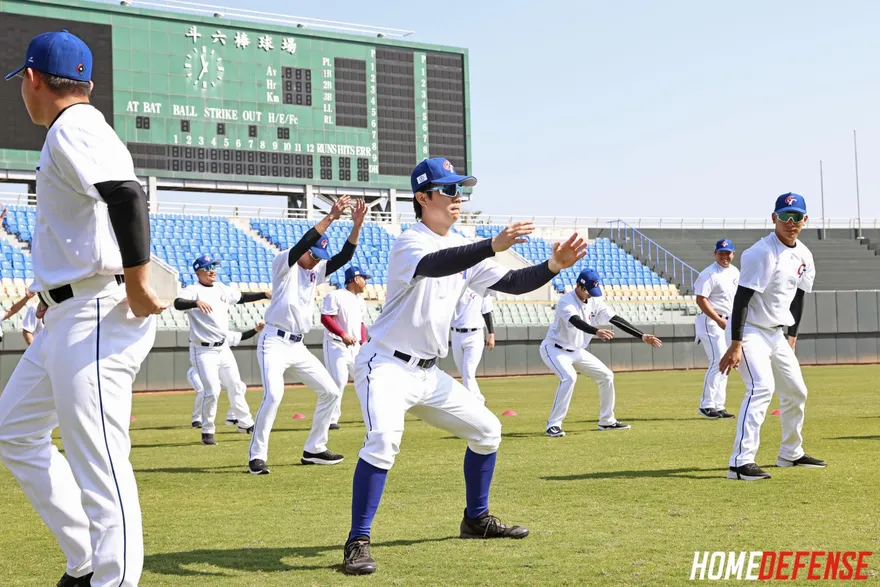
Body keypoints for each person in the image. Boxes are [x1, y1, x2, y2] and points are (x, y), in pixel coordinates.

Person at [341, 157, 587, 575]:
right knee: (383, 441)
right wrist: (492, 244)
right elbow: (438, 263)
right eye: (449, 189)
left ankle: (476, 520)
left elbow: (511, 283)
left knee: (489, 431)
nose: (458, 197)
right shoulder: (410, 242)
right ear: (423, 197)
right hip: (385, 365)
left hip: (428, 372)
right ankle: (357, 540)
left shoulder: (463, 247)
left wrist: (554, 267)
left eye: (461, 189)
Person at [0, 30, 165, 587]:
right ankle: (88, 560)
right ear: (87, 81)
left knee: (101, 466)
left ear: (32, 80)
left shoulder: (74, 125)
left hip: (95, 310)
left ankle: (111, 579)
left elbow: (127, 193)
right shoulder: (73, 129)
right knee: (15, 431)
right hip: (65, 315)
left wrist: (140, 281)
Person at [248, 196, 366, 474]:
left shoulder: (315, 271)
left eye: (319, 257)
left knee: (330, 391)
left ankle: (314, 448)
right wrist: (332, 216)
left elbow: (344, 257)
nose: (315, 261)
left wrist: (357, 226)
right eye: (313, 255)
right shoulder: (284, 264)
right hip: (274, 341)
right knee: (274, 395)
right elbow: (304, 243)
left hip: (297, 345)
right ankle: (257, 456)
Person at [720, 193, 826, 481]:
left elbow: (799, 297)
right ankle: (740, 463)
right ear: (774, 218)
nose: (790, 222)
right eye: (785, 216)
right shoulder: (760, 252)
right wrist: (736, 343)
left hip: (778, 333)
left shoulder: (804, 254)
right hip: (752, 330)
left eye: (796, 217)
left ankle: (790, 453)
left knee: (796, 392)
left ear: (805, 220)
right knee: (761, 388)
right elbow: (741, 300)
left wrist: (792, 336)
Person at [540, 268, 662, 437]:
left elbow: (615, 319)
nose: (592, 294)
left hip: (577, 350)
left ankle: (607, 421)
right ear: (580, 286)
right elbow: (576, 322)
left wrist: (641, 335)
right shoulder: (566, 301)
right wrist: (596, 331)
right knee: (569, 377)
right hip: (554, 349)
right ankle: (553, 425)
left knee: (606, 376)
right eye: (589, 290)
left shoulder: (595, 300)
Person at [173, 254, 270, 444]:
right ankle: (207, 430)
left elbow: (241, 297)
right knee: (212, 391)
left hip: (223, 347)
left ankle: (245, 422)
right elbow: (177, 303)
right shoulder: (193, 290)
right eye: (207, 267)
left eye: (213, 266)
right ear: (198, 272)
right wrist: (195, 302)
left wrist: (263, 294)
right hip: (203, 350)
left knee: (235, 385)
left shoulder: (221, 288)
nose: (212, 270)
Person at [694, 239, 739, 419]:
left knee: (726, 362)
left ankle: (718, 405)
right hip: (711, 320)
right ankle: (706, 405)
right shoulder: (709, 273)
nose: (724, 256)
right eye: (721, 253)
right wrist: (718, 320)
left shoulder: (735, 271)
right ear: (715, 254)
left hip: (728, 320)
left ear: (733, 254)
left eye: (727, 253)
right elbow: (701, 299)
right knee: (717, 359)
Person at [320, 266, 370, 430]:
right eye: (364, 279)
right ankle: (331, 419)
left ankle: (371, 414)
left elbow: (361, 323)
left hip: (355, 347)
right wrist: (342, 334)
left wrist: (364, 341)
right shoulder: (336, 295)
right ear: (356, 279)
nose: (366, 282)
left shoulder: (360, 300)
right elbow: (325, 317)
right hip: (336, 344)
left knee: (365, 379)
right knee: (339, 381)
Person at [189, 323, 266, 429]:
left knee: (239, 386)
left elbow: (241, 336)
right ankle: (196, 419)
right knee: (204, 390)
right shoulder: (203, 332)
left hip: (219, 372)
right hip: (197, 373)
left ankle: (233, 417)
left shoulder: (223, 334)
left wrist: (256, 329)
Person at [450, 288, 495, 403]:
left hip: (474, 334)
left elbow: (487, 312)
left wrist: (491, 333)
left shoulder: (482, 287)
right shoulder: (454, 285)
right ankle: (479, 399)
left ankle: (475, 404)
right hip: (455, 334)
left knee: (468, 371)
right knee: (464, 373)